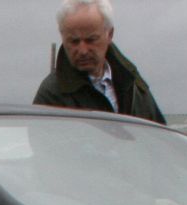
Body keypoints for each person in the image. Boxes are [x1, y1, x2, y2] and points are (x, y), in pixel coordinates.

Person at [33, 0, 164, 123]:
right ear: (62, 36)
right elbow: (42, 144)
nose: (83, 50)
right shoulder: (52, 94)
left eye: (91, 40)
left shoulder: (132, 81)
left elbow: (160, 136)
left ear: (110, 34)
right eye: (74, 41)